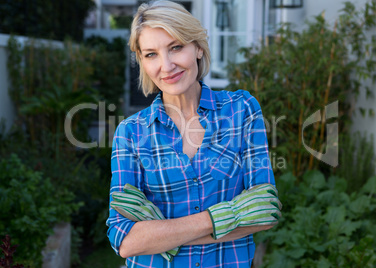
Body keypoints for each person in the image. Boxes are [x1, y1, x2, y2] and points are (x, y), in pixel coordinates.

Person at [106, 1, 282, 267]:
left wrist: (160, 234)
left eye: (176, 47)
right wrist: (223, 217)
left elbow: (265, 210)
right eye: (151, 54)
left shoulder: (242, 111)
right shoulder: (130, 133)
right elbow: (124, 240)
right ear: (142, 61)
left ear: (198, 47)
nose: (166, 66)